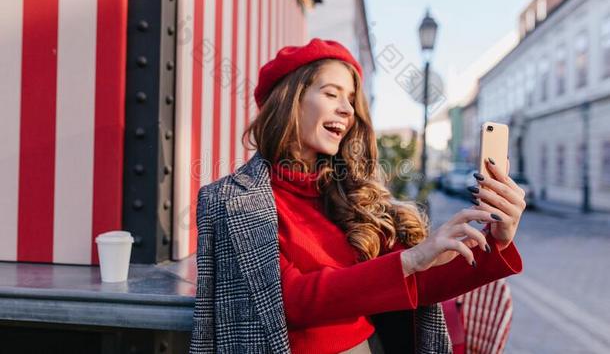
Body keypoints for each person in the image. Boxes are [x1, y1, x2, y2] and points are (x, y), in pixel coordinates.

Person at [189, 38, 525, 354]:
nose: (348, 110)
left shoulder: (354, 196)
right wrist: (410, 260)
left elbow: (418, 286)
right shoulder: (229, 201)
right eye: (332, 93)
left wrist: (497, 240)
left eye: (351, 99)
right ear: (290, 100)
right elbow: (284, 299)